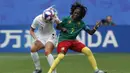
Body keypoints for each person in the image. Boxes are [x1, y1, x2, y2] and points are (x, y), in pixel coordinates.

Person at [48, 2, 107, 73]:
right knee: (61, 56)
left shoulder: (81, 23)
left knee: (88, 51)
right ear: (73, 11)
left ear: (81, 15)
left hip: (73, 41)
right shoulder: (66, 19)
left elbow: (90, 33)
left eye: (78, 13)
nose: (75, 14)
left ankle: (96, 70)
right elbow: (57, 27)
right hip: (63, 40)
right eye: (75, 12)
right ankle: (50, 71)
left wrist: (95, 27)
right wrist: (62, 28)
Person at [30, 6, 60, 73]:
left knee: (47, 51)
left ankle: (54, 72)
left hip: (51, 36)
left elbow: (60, 26)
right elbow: (31, 30)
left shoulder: (53, 18)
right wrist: (36, 39)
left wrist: (57, 21)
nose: (45, 20)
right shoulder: (37, 19)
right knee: (33, 49)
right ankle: (38, 69)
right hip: (41, 37)